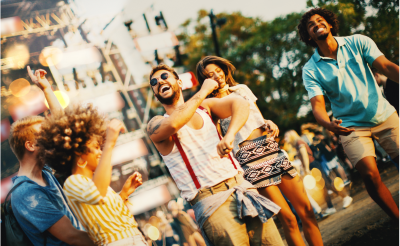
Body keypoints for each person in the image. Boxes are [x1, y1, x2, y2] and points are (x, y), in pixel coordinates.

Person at [146, 64, 284, 246]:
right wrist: (203, 90)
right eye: (154, 82)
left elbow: (240, 103)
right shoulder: (156, 124)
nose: (160, 82)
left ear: (179, 82)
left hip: (241, 187)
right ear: (155, 95)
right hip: (212, 202)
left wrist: (230, 135)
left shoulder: (204, 108)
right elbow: (174, 125)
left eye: (165, 76)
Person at [196, 56, 323, 246]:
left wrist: (268, 122)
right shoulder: (210, 107)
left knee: (306, 210)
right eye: (210, 75)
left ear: (223, 69)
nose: (216, 75)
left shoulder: (241, 89)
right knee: (288, 218)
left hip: (271, 148)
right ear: (206, 81)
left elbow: (257, 116)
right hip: (249, 160)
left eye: (217, 70)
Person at [298, 7, 399, 219]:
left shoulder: (357, 42)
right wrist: (328, 125)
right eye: (311, 24)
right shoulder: (310, 69)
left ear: (330, 24)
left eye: (320, 20)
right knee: (370, 175)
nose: (317, 24)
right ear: (309, 35)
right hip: (350, 126)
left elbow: (386, 66)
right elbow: (317, 105)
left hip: (383, 114)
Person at [37, 104, 147, 246]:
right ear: (78, 151)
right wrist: (109, 144)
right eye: (96, 147)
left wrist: (124, 193)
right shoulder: (72, 182)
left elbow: (112, 218)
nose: (100, 152)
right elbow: (97, 194)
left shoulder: (95, 182)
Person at [9, 67, 95, 246]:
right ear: (31, 145)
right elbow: (72, 237)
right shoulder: (26, 193)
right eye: (45, 134)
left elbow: (62, 125)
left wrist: (46, 89)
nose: (52, 136)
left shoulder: (44, 171)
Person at [285, 130, 338, 217]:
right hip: (312, 165)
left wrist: (306, 169)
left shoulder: (299, 142)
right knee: (324, 185)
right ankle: (332, 205)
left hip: (312, 165)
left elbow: (305, 154)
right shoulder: (297, 144)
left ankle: (340, 199)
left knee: (324, 185)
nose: (285, 139)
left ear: (291, 136)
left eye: (286, 137)